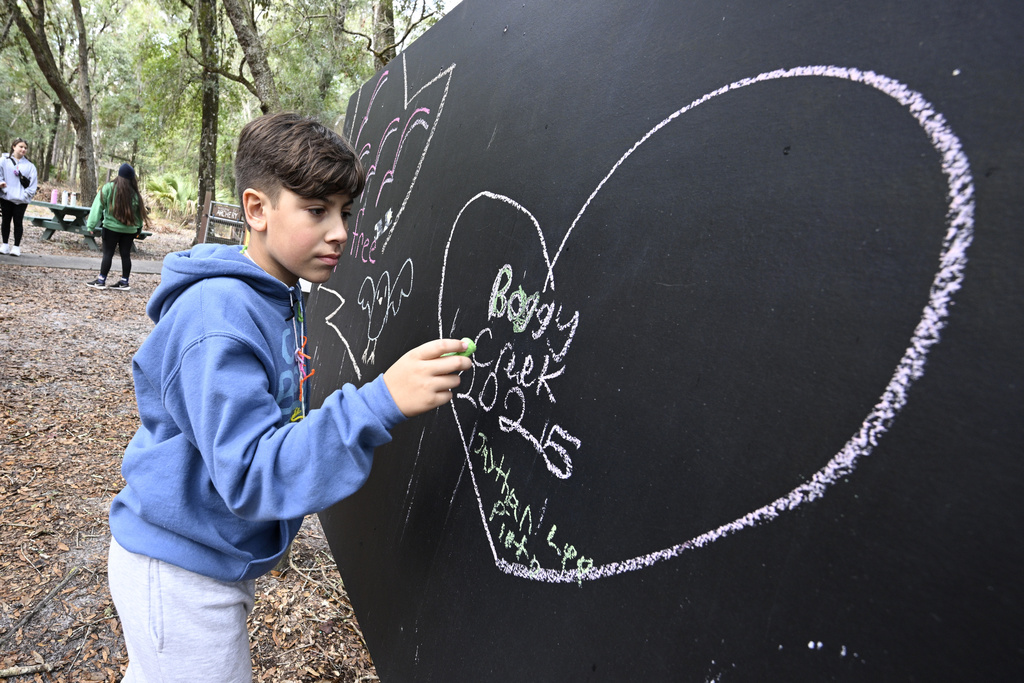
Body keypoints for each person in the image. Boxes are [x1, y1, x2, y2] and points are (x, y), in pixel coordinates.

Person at [106, 111, 472, 682]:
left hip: (209, 558)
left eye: (345, 213)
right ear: (257, 209)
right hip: (180, 571)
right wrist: (379, 402)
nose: (341, 232)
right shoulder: (219, 319)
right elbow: (251, 471)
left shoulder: (279, 296)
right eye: (316, 210)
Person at [85, 163, 147, 291]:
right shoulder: (135, 194)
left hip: (110, 228)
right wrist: (138, 229)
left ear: (118, 175)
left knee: (108, 254)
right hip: (129, 231)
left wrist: (91, 225)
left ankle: (101, 280)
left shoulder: (108, 188)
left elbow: (97, 207)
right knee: (126, 255)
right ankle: (124, 282)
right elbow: (139, 215)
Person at [0, 138, 38, 256]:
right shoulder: (4, 161)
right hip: (6, 197)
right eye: (21, 147)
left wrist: (25, 195)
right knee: (6, 220)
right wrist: (3, 187)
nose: (23, 149)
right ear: (14, 147)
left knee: (18, 221)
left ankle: (16, 246)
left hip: (21, 200)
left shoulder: (30, 166)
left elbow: (33, 184)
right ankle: (5, 244)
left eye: (25, 148)